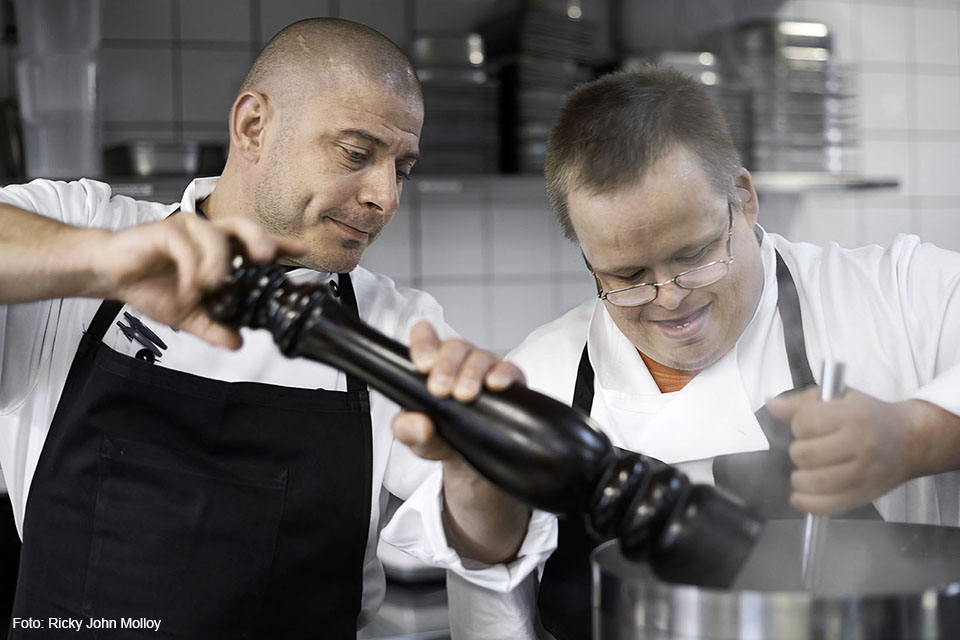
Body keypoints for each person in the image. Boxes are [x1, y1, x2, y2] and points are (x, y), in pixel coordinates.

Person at [0, 18, 553, 638]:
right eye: (356, 153)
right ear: (253, 126)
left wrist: (476, 468)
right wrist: (103, 263)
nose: (386, 197)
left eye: (402, 168)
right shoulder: (84, 225)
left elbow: (485, 547)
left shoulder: (395, 327)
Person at [472, 65, 960, 640]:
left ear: (744, 200)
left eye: (694, 254)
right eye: (626, 276)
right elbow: (493, 617)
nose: (671, 298)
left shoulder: (898, 295)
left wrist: (913, 436)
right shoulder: (538, 379)